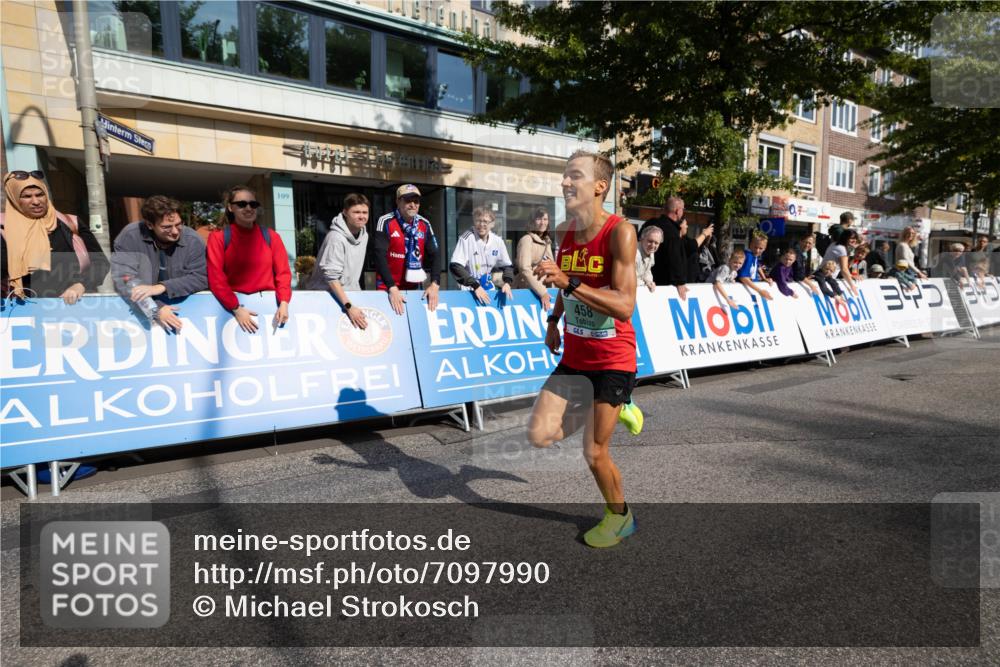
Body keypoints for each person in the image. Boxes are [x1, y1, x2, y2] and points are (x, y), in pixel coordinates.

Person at [529, 150, 640, 548]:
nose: (565, 182)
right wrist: (553, 321)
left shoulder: (619, 232)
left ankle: (620, 516)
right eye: (564, 176)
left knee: (594, 452)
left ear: (599, 186)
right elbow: (564, 282)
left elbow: (625, 306)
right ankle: (615, 408)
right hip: (575, 357)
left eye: (574, 176)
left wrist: (570, 283)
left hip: (613, 359)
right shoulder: (565, 231)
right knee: (540, 434)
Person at [1, 170, 108, 303]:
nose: (36, 201)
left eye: (40, 194)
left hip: (71, 306)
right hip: (23, 308)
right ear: (14, 199)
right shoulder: (4, 229)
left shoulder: (69, 223)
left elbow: (100, 262)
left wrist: (81, 284)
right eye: (27, 196)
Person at [111, 195, 207, 332]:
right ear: (150, 225)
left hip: (186, 309)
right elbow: (124, 279)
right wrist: (156, 308)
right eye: (166, 227)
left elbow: (201, 277)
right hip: (142, 312)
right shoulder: (129, 236)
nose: (175, 231)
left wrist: (162, 287)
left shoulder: (193, 240)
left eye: (178, 224)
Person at [206, 185, 291, 334]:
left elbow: (283, 273)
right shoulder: (218, 237)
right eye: (241, 204)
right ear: (230, 208)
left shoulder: (272, 236)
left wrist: (284, 302)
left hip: (270, 310)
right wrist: (236, 308)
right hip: (234, 312)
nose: (248, 208)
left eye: (253, 204)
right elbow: (216, 278)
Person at [370, 184, 440, 315]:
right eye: (408, 200)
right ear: (398, 201)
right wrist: (392, 287)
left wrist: (435, 284)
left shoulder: (424, 224)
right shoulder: (385, 221)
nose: (413, 205)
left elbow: (435, 254)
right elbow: (379, 256)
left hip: (414, 286)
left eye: (416, 201)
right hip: (387, 287)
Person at [307, 193, 369, 329]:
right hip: (325, 298)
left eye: (365, 212)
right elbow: (331, 278)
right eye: (356, 212)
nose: (361, 216)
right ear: (345, 212)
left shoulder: (364, 236)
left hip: (348, 297)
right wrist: (349, 306)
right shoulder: (336, 238)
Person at [450, 206, 514, 305]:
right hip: (468, 288)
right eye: (478, 221)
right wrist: (476, 286)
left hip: (486, 286)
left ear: (492, 224)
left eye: (485, 222)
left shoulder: (497, 241)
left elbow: (507, 266)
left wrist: (507, 283)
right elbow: (455, 266)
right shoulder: (466, 238)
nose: (481, 225)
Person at [639, 196, 689, 297]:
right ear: (678, 211)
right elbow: (674, 257)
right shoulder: (672, 231)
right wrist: (680, 282)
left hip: (646, 279)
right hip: (661, 285)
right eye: (683, 209)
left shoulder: (650, 223)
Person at [514, 206, 554, 310]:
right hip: (528, 292)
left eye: (545, 219)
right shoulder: (527, 240)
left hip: (545, 291)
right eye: (539, 219)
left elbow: (552, 267)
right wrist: (542, 292)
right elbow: (524, 269)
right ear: (532, 221)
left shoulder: (546, 241)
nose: (542, 223)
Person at [736, 231, 774, 300]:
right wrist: (760, 291)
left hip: (750, 287)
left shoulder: (754, 255)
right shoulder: (748, 256)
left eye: (760, 248)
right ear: (750, 245)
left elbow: (758, 266)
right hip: (744, 290)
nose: (757, 250)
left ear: (765, 248)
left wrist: (764, 278)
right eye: (755, 247)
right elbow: (743, 277)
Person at [822, 228, 861, 295]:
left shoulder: (834, 244)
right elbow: (844, 269)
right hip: (825, 278)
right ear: (845, 238)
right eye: (851, 238)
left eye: (855, 238)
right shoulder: (841, 249)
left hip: (822, 275)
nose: (854, 240)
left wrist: (851, 275)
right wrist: (852, 285)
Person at [635, 225, 662, 292]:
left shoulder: (650, 252)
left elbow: (647, 271)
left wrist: (649, 281)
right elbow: (629, 278)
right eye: (650, 241)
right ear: (642, 239)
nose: (653, 245)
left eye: (656, 243)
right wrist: (645, 284)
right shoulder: (634, 253)